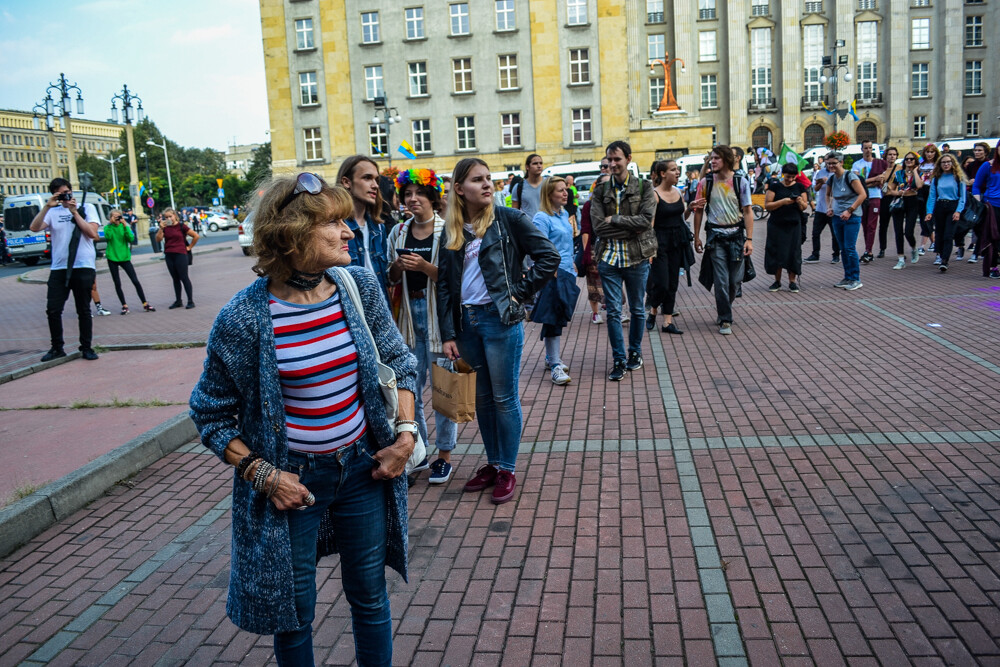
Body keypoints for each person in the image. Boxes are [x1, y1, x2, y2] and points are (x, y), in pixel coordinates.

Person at [189, 173, 418, 667]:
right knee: (293, 616)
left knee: (370, 598)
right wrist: (265, 477)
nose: (349, 231)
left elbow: (399, 362)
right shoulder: (244, 318)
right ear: (292, 235)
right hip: (294, 483)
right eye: (333, 222)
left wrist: (405, 435)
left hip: (363, 469)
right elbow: (209, 413)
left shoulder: (357, 287)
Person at [437, 158, 558, 504]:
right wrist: (448, 333)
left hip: (500, 319)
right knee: (483, 399)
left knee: (504, 398)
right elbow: (445, 286)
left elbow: (548, 257)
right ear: (460, 189)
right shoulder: (453, 230)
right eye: (478, 180)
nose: (487, 184)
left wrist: (517, 292)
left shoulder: (509, 219)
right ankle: (492, 463)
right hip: (467, 324)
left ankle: (507, 468)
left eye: (489, 179)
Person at [386, 168, 458, 485]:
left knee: (444, 391)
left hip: (438, 320)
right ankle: (418, 455)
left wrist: (427, 267)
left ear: (432, 196)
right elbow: (388, 277)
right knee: (408, 393)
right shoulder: (398, 232)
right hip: (407, 321)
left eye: (419, 194)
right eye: (407, 194)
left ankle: (444, 456)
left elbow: (455, 281)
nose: (412, 199)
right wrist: (396, 267)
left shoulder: (448, 231)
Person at [591, 140, 657, 378]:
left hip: (637, 258)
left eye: (617, 159)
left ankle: (635, 353)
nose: (612, 164)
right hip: (609, 258)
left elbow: (646, 221)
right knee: (613, 313)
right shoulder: (600, 191)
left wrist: (616, 220)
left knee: (638, 309)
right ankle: (619, 360)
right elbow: (599, 228)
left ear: (628, 158)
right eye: (609, 159)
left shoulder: (644, 187)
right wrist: (632, 227)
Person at [28, 178, 102, 362]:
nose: (67, 196)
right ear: (56, 195)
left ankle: (86, 347)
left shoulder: (87, 207)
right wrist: (47, 207)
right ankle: (57, 347)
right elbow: (34, 227)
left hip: (83, 265)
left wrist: (75, 213)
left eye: (68, 192)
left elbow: (93, 234)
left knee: (83, 309)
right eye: (62, 194)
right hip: (59, 267)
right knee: (53, 309)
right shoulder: (52, 212)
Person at [692, 145, 754, 335]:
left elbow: (747, 211)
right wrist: (697, 237)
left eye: (716, 158)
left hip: (736, 237)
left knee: (734, 281)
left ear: (727, 159)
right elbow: (699, 211)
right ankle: (725, 318)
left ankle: (724, 307)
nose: (712, 161)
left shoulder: (739, 181)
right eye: (712, 158)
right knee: (720, 280)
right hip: (716, 237)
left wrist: (749, 239)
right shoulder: (705, 182)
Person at [531, 176, 580, 385]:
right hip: (554, 274)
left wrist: (572, 264)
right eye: (560, 190)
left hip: (567, 271)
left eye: (565, 189)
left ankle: (552, 357)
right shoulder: (542, 218)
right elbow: (537, 247)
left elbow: (567, 243)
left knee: (558, 315)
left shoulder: (564, 215)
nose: (565, 193)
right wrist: (552, 271)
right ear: (549, 194)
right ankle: (555, 364)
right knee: (553, 317)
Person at [337, 155, 390, 304]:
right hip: (352, 310)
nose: (375, 185)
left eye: (376, 180)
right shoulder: (337, 229)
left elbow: (384, 280)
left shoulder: (378, 228)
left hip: (380, 312)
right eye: (367, 178)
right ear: (347, 182)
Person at [645, 160, 689, 334]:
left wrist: (690, 208)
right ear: (663, 174)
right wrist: (649, 249)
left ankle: (667, 322)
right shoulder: (654, 195)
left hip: (677, 241)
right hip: (660, 243)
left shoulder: (679, 192)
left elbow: (681, 217)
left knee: (673, 282)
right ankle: (654, 309)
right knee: (662, 283)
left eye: (677, 169)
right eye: (673, 170)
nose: (677, 172)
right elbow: (650, 224)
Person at [824, 151, 867, 290]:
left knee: (849, 248)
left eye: (834, 163)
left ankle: (855, 278)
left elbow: (862, 195)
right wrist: (829, 207)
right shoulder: (832, 178)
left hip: (852, 216)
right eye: (829, 163)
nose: (831, 166)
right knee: (842, 248)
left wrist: (850, 210)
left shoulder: (850, 176)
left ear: (841, 163)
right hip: (837, 216)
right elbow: (827, 194)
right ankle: (847, 276)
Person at [764, 163, 809, 292]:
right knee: (776, 252)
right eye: (788, 176)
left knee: (793, 253)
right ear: (783, 174)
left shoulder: (800, 186)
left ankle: (792, 281)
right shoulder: (775, 186)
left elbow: (804, 207)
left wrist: (800, 201)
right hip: (776, 225)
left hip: (794, 225)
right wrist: (782, 202)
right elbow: (768, 205)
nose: (790, 179)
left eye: (793, 177)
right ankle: (777, 281)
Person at [104, 210, 154, 314]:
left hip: (125, 257)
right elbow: (108, 237)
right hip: (112, 257)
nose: (117, 219)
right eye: (115, 217)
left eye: (119, 217)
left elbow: (131, 238)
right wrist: (110, 223)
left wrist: (125, 225)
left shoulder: (124, 226)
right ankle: (124, 305)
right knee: (117, 283)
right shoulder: (108, 228)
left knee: (135, 281)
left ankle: (145, 303)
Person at [924, 153, 967, 272]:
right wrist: (929, 212)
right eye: (943, 162)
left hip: (953, 206)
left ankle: (945, 260)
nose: (946, 164)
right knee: (940, 233)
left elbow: (962, 197)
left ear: (953, 163)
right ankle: (939, 254)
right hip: (940, 206)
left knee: (949, 234)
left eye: (948, 162)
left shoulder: (958, 177)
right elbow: (932, 196)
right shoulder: (937, 178)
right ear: (940, 164)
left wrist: (958, 211)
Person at [850, 140, 887, 264]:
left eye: (870, 148)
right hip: (862, 197)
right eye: (865, 148)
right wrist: (874, 180)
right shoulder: (857, 165)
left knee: (872, 225)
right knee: (864, 224)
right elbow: (857, 183)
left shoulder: (879, 163)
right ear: (862, 149)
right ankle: (868, 248)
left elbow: (882, 181)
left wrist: (870, 181)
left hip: (875, 196)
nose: (868, 150)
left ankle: (869, 250)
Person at [886, 151, 924, 269]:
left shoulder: (920, 173)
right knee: (898, 231)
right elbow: (889, 189)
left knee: (908, 231)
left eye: (912, 159)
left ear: (915, 162)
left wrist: (915, 172)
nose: (909, 161)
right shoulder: (899, 174)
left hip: (913, 202)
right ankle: (901, 259)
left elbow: (919, 186)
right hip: (900, 201)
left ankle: (913, 248)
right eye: (907, 159)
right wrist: (897, 192)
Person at [155, 208, 199, 309]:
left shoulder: (181, 226)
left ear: (175, 216)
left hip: (180, 254)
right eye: (166, 217)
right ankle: (178, 301)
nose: (168, 219)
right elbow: (158, 239)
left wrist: (189, 247)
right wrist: (161, 228)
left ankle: (190, 301)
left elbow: (195, 236)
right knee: (175, 278)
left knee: (184, 277)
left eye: (170, 216)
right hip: (169, 255)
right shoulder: (165, 227)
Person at [579, 173, 607, 324]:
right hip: (593, 246)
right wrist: (586, 252)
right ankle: (596, 312)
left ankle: (614, 308)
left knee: (612, 278)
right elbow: (585, 229)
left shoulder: (614, 204)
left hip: (611, 246)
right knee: (593, 280)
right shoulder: (589, 206)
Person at [972, 140, 1000, 278]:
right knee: (994, 237)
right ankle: (994, 266)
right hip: (992, 205)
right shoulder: (988, 166)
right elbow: (976, 185)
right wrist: (979, 203)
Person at [962, 142, 991, 262]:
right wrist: (969, 181)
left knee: (985, 224)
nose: (977, 152)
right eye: (975, 150)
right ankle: (979, 249)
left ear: (985, 152)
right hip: (974, 196)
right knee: (975, 224)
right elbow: (964, 178)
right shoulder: (971, 165)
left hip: (987, 196)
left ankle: (977, 252)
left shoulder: (989, 164)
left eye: (980, 150)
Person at [876, 147, 900, 259]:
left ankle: (900, 250)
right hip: (884, 198)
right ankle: (882, 248)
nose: (892, 156)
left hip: (895, 198)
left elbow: (902, 183)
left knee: (898, 226)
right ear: (885, 156)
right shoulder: (882, 169)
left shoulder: (899, 168)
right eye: (890, 154)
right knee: (883, 225)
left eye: (894, 154)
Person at [917, 143, 940, 255]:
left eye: (932, 152)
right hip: (922, 191)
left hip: (933, 191)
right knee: (923, 218)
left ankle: (922, 245)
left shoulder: (938, 164)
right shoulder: (920, 165)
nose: (929, 154)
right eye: (927, 152)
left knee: (929, 218)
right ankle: (933, 242)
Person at [511, 153, 545, 220]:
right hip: (528, 227)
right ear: (527, 167)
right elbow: (514, 212)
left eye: (541, 163)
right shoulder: (519, 187)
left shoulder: (549, 184)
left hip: (548, 226)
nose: (539, 166)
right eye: (535, 163)